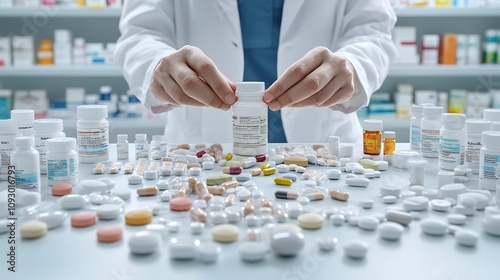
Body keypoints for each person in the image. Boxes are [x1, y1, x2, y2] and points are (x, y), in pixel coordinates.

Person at [115, 0, 397, 144]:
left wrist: (353, 66)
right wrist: (157, 65)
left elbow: (373, 32)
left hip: (321, 139)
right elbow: (140, 33)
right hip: (204, 140)